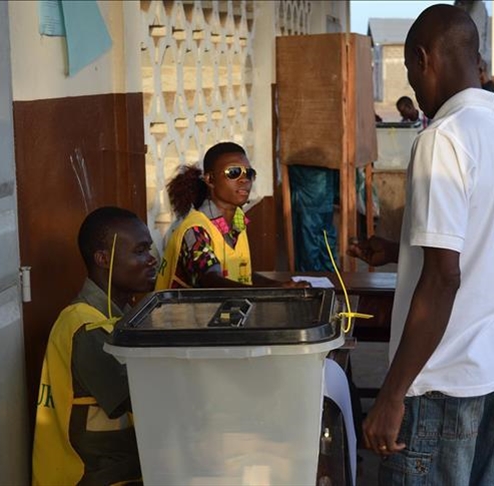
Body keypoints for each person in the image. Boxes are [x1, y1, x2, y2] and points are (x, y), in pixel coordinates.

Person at [349, 5, 494, 484]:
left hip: (440, 382)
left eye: (411, 72)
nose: (412, 86)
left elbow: (443, 277)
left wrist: (392, 393)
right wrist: (400, 251)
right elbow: (479, 248)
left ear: (423, 58)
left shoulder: (442, 139)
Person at [32, 206, 156, 486]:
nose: (152, 259)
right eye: (140, 251)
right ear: (103, 259)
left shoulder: (121, 315)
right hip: (88, 477)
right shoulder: (84, 325)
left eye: (149, 249)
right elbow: (140, 397)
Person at [157, 142, 306, 288]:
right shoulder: (195, 229)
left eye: (249, 173)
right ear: (210, 179)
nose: (244, 179)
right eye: (233, 172)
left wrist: (280, 286)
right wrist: (272, 291)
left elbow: (243, 276)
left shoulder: (238, 220)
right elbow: (211, 282)